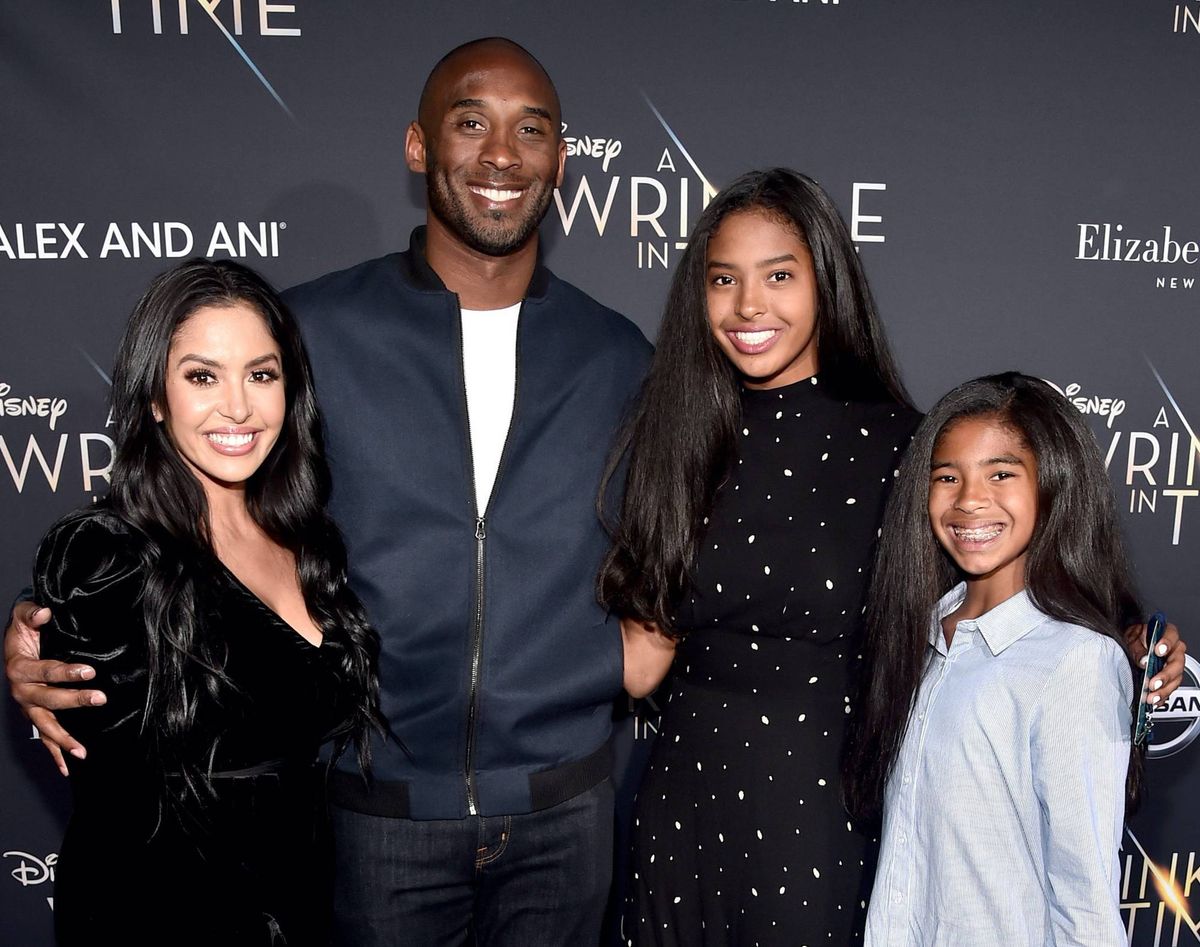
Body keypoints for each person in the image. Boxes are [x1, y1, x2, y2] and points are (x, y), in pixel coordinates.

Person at [6, 37, 652, 946]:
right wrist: (42, 627)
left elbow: (671, 542)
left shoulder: (620, 354)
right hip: (371, 815)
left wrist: (637, 646)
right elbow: (181, 513)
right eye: (470, 123)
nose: (501, 154)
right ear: (419, 146)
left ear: (561, 156)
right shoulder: (306, 332)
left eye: (530, 129)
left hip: (563, 815)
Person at [600, 169, 1181, 946]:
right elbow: (642, 649)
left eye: (779, 275)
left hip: (820, 817)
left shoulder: (902, 445)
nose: (749, 305)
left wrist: (1135, 640)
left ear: (827, 280)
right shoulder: (675, 436)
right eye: (723, 279)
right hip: (679, 809)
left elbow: (1002, 585)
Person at [30, 259, 380, 945]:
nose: (239, 407)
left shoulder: (305, 537)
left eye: (261, 373)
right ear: (155, 397)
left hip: (306, 914)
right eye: (201, 376)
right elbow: (117, 826)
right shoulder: (108, 559)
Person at [846, 373, 1140, 946]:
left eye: (1001, 473)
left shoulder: (1074, 660)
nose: (969, 500)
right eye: (947, 477)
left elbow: (1085, 896)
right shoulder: (919, 638)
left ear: (1053, 484)